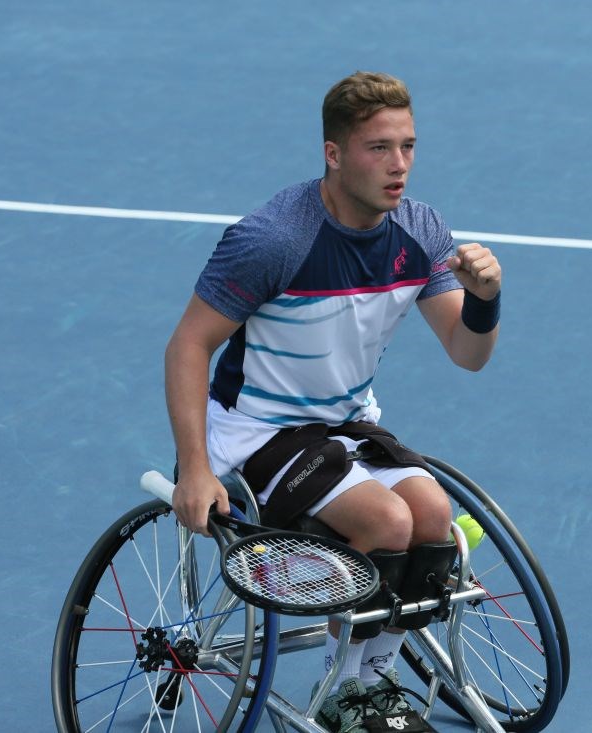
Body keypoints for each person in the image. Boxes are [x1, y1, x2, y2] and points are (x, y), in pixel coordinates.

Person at [164, 71, 501, 732]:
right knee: (387, 521)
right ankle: (347, 692)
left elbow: (467, 351)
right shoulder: (274, 241)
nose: (398, 164)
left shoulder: (422, 230)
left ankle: (376, 682)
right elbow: (187, 346)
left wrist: (486, 300)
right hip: (258, 431)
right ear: (334, 153)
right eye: (379, 148)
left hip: (345, 426)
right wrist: (195, 466)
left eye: (407, 145)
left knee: (433, 514)